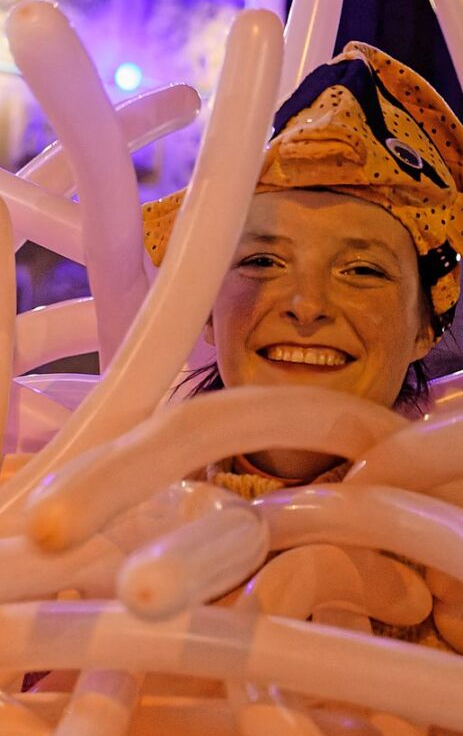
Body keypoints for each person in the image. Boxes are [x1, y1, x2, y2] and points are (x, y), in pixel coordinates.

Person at [143, 41, 463, 499]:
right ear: (206, 309)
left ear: (425, 327)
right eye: (262, 262)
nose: (307, 305)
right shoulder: (104, 500)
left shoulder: (450, 531)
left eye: (361, 271)